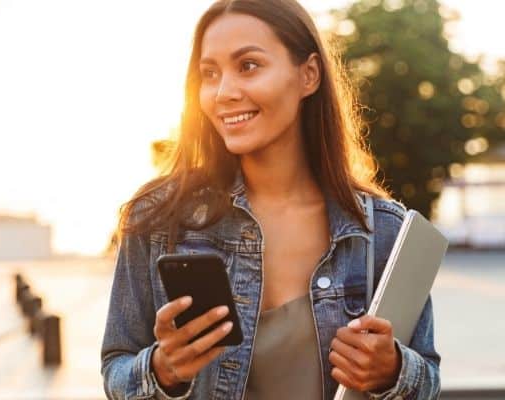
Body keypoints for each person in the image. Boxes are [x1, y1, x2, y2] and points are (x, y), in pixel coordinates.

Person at [100, 0, 441, 399]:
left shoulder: (382, 229)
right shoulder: (159, 219)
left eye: (248, 66)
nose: (224, 93)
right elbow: (116, 368)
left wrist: (392, 371)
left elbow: (428, 379)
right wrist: (161, 368)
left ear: (308, 75)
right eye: (209, 73)